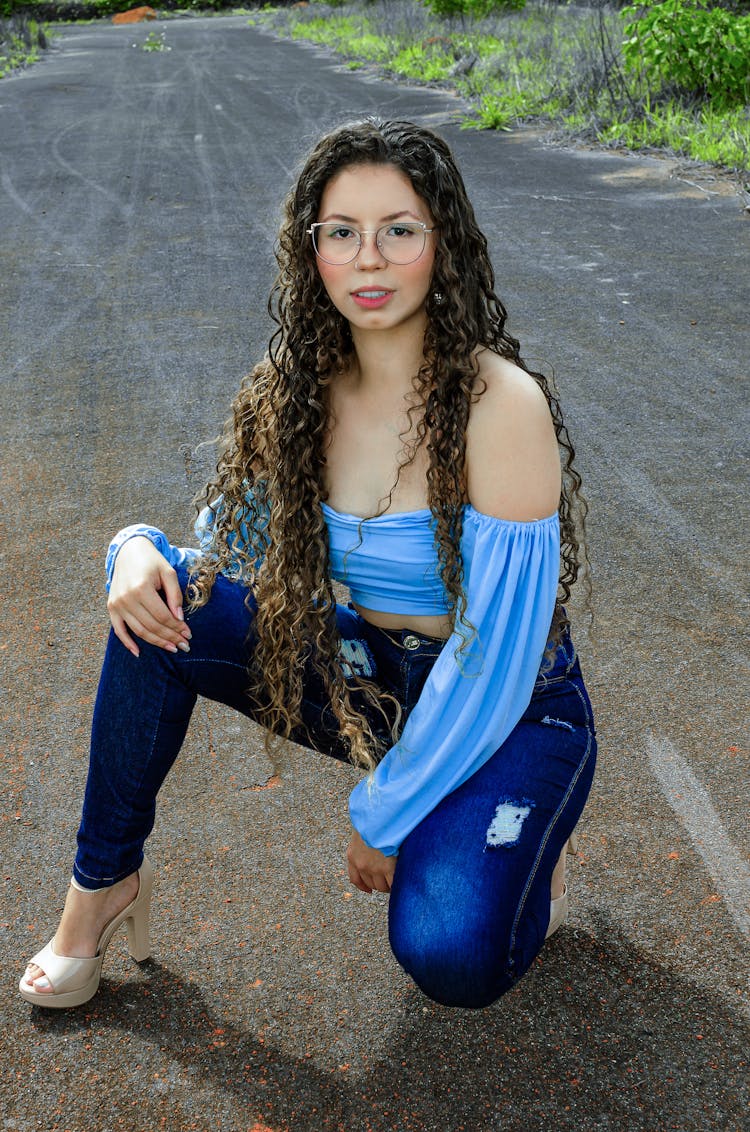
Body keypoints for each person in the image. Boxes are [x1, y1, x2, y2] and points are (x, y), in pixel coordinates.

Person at [20, 118, 596, 1012]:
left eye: (399, 230)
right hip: (373, 679)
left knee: (450, 954)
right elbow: (217, 557)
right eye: (342, 233)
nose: (370, 260)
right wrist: (131, 549)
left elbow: (492, 658)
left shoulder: (499, 404)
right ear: (313, 251)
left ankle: (524, 854)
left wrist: (386, 811)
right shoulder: (298, 390)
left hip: (512, 706)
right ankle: (101, 889)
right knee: (153, 609)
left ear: (443, 245)